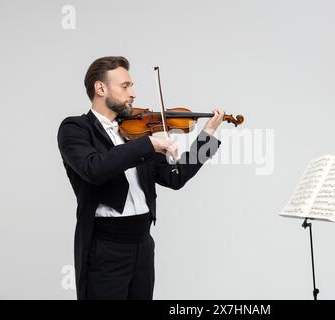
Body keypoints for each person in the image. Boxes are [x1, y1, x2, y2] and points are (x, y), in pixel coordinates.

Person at [57, 56, 224, 300]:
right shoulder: (75, 129)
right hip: (105, 247)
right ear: (100, 88)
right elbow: (94, 169)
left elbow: (174, 178)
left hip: (143, 245)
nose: (133, 93)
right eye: (125, 86)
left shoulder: (135, 133)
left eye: (132, 86)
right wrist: (149, 144)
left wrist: (207, 134)